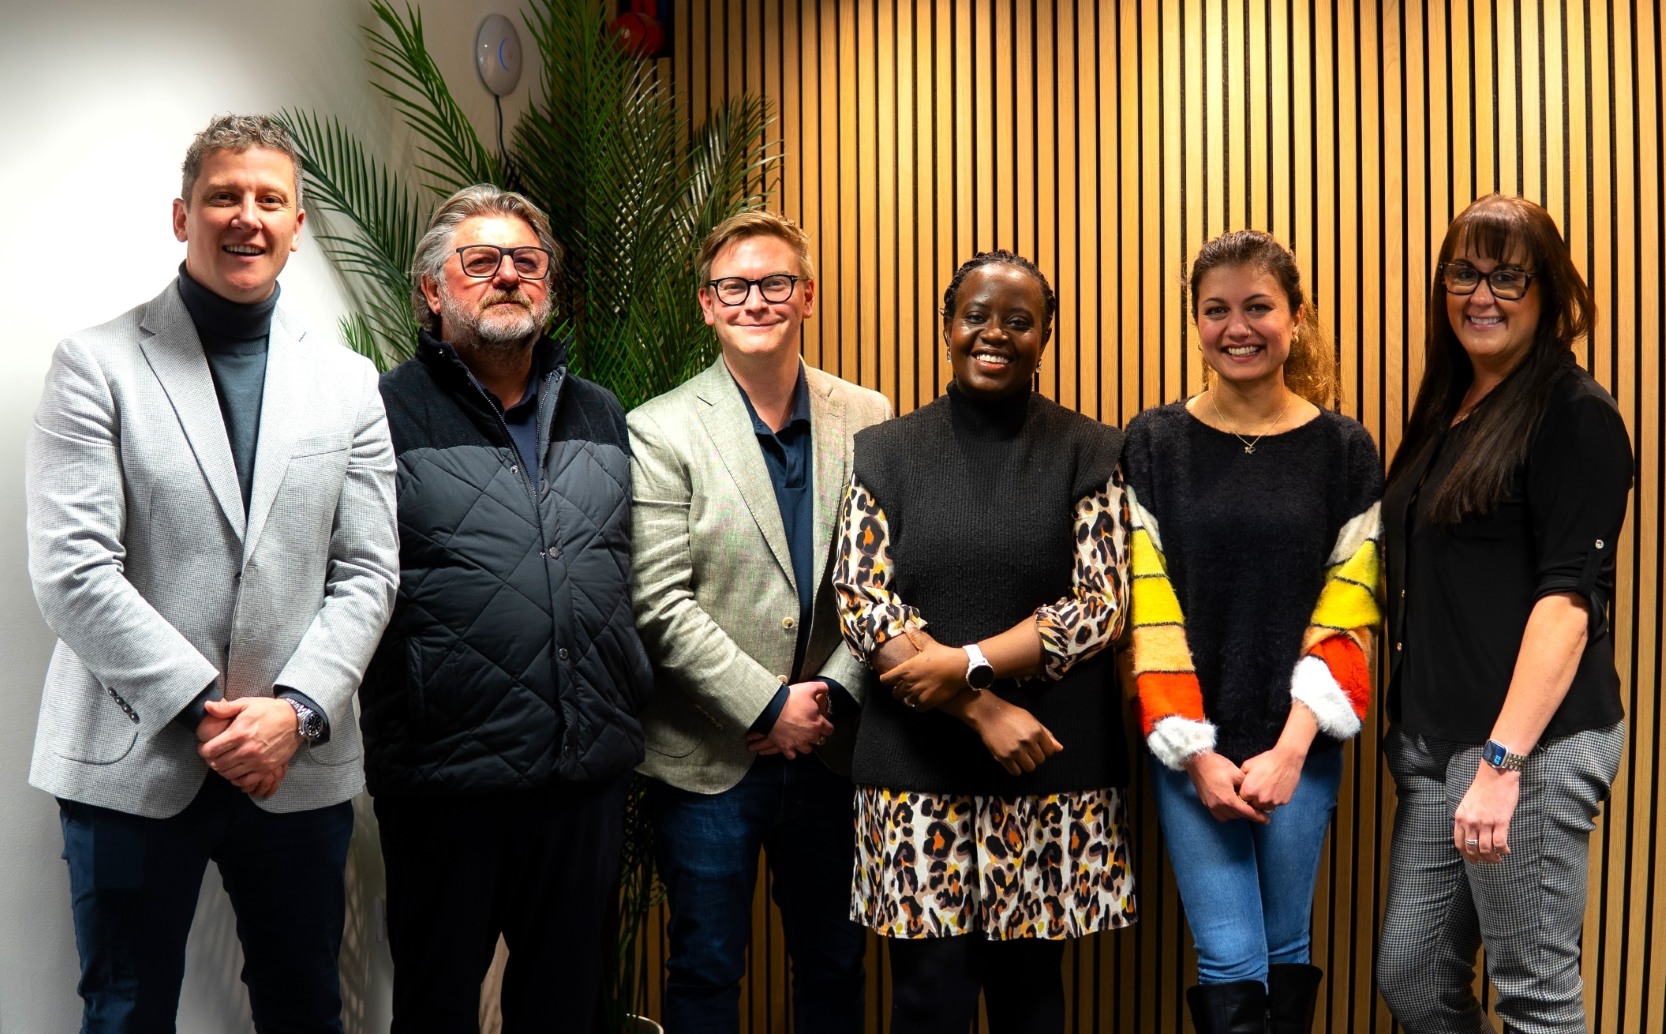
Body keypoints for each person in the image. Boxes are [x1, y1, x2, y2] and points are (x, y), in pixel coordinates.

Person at [25, 113, 399, 1032]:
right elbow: (74, 570)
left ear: (297, 225)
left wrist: (295, 712)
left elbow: (368, 571)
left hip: (296, 763)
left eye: (270, 199)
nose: (247, 217)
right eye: (224, 196)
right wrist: (209, 711)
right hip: (133, 756)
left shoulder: (350, 382)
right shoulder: (95, 364)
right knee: (125, 1014)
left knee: (305, 1009)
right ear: (181, 214)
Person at [358, 184, 653, 1030]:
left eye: (527, 260)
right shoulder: (381, 414)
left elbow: (627, 570)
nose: (509, 276)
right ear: (432, 288)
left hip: (583, 774)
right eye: (481, 260)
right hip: (446, 781)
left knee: (566, 1011)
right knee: (437, 1010)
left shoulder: (600, 411)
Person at [832, 249, 1135, 1034]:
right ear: (947, 327)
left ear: (1044, 338)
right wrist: (980, 706)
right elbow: (861, 601)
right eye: (976, 316)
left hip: (1045, 772)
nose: (995, 333)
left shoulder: (1089, 450)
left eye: (1019, 321)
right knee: (926, 1003)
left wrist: (967, 662)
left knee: (1030, 1001)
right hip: (914, 775)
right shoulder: (885, 451)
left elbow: (1102, 605)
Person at [629, 210, 891, 1033]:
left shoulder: (869, 416)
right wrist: (769, 705)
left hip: (834, 748)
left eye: (775, 283)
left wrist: (829, 697)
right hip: (708, 756)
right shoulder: (658, 428)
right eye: (734, 286)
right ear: (707, 304)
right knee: (705, 970)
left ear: (807, 295)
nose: (756, 300)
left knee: (836, 966)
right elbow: (659, 601)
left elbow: (882, 580)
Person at [1375, 195, 1632, 1034]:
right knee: (1414, 979)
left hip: (1527, 748)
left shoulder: (1574, 413)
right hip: (1435, 744)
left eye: (1508, 277)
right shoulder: (1447, 404)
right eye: (1464, 274)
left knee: (1534, 996)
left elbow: (1569, 603)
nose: (1481, 296)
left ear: (1549, 293)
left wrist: (1501, 763)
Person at [1122, 230, 1382, 1034]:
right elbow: (1146, 608)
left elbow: (1351, 607)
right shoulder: (1153, 443)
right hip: (1189, 748)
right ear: (1196, 323)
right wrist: (1196, 754)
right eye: (1216, 310)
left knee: (1284, 947)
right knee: (1231, 958)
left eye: (1258, 307)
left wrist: (1293, 747)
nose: (1237, 328)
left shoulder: (1344, 449)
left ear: (1295, 318)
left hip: (1299, 747)